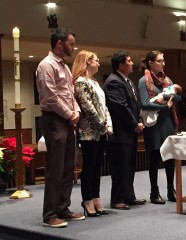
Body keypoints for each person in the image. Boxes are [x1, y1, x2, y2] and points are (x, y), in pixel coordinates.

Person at [36, 28, 85, 228]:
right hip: (54, 119)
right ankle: (50, 214)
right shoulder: (46, 65)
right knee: (56, 168)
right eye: (71, 44)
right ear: (59, 43)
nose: (73, 47)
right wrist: (70, 114)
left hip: (67, 119)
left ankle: (63, 208)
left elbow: (70, 94)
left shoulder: (64, 66)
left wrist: (77, 112)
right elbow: (50, 96)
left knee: (67, 166)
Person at [103, 50, 146, 210]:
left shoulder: (126, 80)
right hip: (120, 133)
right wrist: (135, 123)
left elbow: (134, 105)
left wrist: (139, 120)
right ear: (121, 65)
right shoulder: (114, 81)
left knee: (129, 166)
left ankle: (128, 195)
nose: (132, 63)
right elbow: (120, 107)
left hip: (128, 132)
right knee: (120, 167)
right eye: (129, 61)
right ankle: (117, 199)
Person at [72, 50, 113, 217]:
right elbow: (88, 107)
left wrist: (108, 123)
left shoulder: (95, 82)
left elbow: (104, 106)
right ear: (87, 62)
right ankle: (87, 198)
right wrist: (102, 124)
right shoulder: (81, 82)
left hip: (101, 130)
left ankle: (96, 196)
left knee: (98, 166)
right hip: (89, 131)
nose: (98, 63)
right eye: (95, 60)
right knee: (89, 166)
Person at [138, 50, 181, 204]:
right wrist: (165, 104)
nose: (163, 63)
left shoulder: (167, 79)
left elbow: (178, 96)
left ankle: (171, 189)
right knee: (154, 158)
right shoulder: (144, 81)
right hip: (154, 124)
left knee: (170, 157)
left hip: (167, 123)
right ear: (150, 63)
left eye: (163, 60)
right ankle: (154, 192)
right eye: (160, 61)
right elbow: (144, 103)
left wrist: (165, 97)